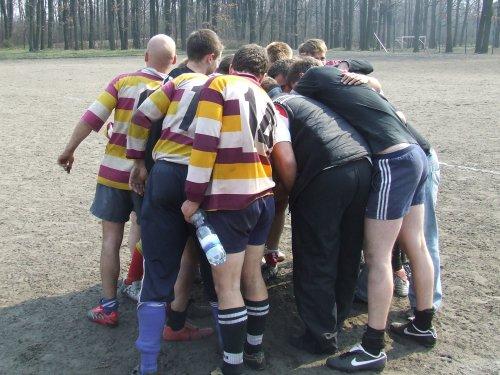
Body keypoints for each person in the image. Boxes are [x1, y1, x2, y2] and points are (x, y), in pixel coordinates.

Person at [294, 66, 437, 372]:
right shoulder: (358, 87)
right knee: (417, 244)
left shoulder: (312, 80)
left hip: (393, 161)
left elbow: (292, 102)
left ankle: (372, 347)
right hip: (417, 152)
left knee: (377, 256)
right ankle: (422, 324)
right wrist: (371, 80)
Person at [181, 44, 294, 375]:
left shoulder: (219, 85)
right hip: (263, 196)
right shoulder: (267, 98)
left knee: (227, 286)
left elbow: (204, 145)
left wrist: (192, 195)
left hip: (230, 199)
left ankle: (231, 365)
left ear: (234, 67)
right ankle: (254, 351)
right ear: (261, 74)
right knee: (252, 275)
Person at [57, 34, 177, 327]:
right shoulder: (173, 88)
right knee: (150, 235)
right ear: (173, 61)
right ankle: (145, 292)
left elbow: (92, 117)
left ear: (145, 57)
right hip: (149, 176)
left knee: (111, 239)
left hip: (112, 173)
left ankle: (109, 307)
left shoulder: (122, 81)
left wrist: (69, 149)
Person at [127, 28, 224, 375]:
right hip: (208, 179)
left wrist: (138, 160)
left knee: (156, 275)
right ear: (214, 57)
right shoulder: (225, 85)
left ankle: (147, 365)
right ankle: (228, 353)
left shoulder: (176, 82)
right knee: (217, 269)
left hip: (166, 175)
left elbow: (140, 116)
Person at [267, 57, 374, 355]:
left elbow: (286, 158)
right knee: (348, 249)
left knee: (316, 254)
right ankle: (336, 319)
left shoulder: (279, 105)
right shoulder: (317, 105)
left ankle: (320, 336)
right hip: (362, 165)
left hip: (326, 174)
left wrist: (292, 193)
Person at [298, 38, 374, 74]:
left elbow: (369, 66)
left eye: (322, 58)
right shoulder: (300, 72)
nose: (320, 62)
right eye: (315, 59)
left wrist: (346, 64)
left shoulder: (332, 65)